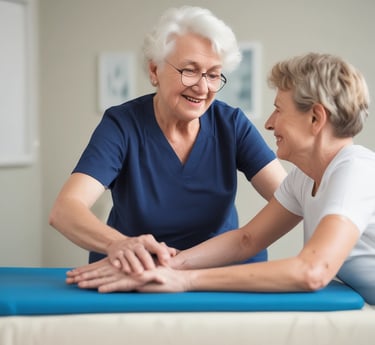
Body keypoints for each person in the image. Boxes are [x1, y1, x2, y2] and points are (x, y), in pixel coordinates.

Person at [67, 52, 375, 305]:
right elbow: (246, 240)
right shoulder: (304, 179)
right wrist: (158, 267)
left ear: (315, 118)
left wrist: (184, 280)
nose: (269, 123)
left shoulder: (354, 171)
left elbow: (313, 270)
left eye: (279, 110)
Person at [49, 6, 286, 273]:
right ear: (154, 71)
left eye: (212, 74)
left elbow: (291, 197)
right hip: (140, 271)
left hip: (218, 271)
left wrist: (246, 240)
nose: (202, 87)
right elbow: (66, 210)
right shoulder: (123, 125)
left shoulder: (231, 124)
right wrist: (120, 244)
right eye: (189, 70)